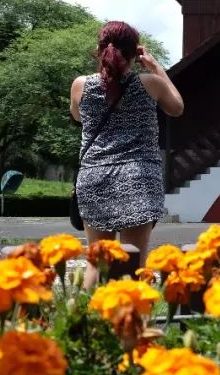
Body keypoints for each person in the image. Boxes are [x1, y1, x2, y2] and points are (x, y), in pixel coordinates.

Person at [69, 21, 183, 259]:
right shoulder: (149, 83)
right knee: (133, 260)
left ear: (100, 50)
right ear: (135, 53)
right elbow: (177, 107)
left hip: (94, 177)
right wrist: (154, 65)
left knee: (97, 262)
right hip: (138, 177)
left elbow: (77, 116)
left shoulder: (80, 85)